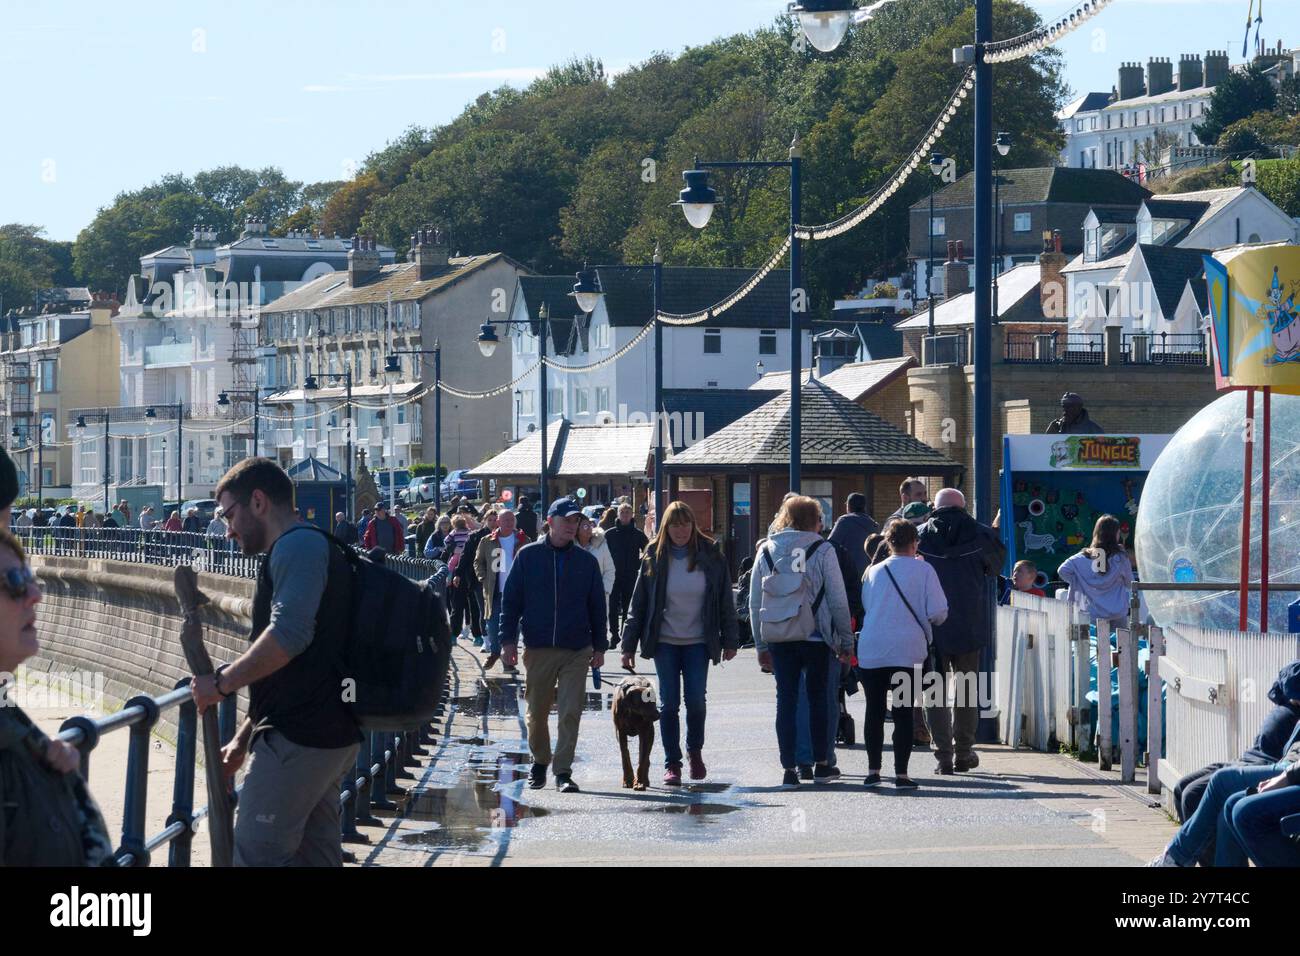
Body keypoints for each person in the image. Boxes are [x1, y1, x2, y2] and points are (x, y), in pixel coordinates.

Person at [189, 457, 360, 866]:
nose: (227, 528)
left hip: (299, 740)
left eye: (229, 514)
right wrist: (245, 738)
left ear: (259, 502)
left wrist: (221, 682)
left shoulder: (297, 547)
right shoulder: (313, 544)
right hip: (327, 734)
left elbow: (289, 637)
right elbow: (302, 669)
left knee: (254, 856)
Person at [0, 528, 116, 865]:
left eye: (30, 577)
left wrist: (43, 771)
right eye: (15, 581)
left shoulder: (18, 732)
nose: (35, 594)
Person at [620, 501, 737, 785]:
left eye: (685, 524)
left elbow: (724, 600)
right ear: (666, 527)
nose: (681, 530)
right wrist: (627, 646)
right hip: (665, 642)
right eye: (675, 525)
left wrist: (730, 639)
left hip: (699, 641)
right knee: (669, 704)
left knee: (696, 701)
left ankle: (694, 751)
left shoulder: (711, 554)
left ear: (693, 525)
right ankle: (672, 763)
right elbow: (639, 602)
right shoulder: (653, 555)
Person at [499, 497, 607, 793]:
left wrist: (600, 646)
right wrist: (506, 640)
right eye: (567, 520)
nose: (573, 526)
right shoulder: (528, 556)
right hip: (539, 646)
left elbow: (597, 606)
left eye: (576, 521)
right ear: (550, 521)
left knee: (571, 710)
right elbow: (511, 603)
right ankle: (540, 761)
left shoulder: (586, 562)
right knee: (537, 711)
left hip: (577, 649)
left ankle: (562, 771)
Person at [748, 495, 855, 788]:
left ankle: (789, 768)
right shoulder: (823, 549)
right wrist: (846, 639)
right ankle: (822, 764)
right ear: (815, 520)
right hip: (816, 637)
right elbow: (837, 598)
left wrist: (760, 645)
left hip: (781, 637)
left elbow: (755, 600)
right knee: (820, 699)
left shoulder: (767, 550)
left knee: (787, 701)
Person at [1169, 662, 1300, 865]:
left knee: (1219, 798)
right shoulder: (1289, 689)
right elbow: (1285, 679)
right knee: (1183, 788)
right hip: (1252, 758)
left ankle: (1176, 857)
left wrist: (1286, 776)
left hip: (1273, 765)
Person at [916, 488, 1005, 775]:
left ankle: (943, 755)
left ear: (935, 507)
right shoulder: (981, 535)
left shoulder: (919, 536)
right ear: (963, 507)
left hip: (931, 627)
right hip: (970, 625)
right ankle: (964, 751)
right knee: (967, 690)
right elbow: (995, 569)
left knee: (934, 693)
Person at [857, 518, 949, 790]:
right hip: (907, 651)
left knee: (873, 711)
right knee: (903, 712)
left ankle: (873, 771)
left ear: (888, 542)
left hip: (872, 648)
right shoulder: (925, 571)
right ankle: (901, 775)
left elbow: (867, 605)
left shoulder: (873, 572)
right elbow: (938, 613)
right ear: (914, 542)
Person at [1149, 718, 1300, 867]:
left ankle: (1175, 858)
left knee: (1223, 783)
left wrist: (1287, 775)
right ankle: (1176, 858)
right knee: (1228, 804)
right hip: (1286, 764)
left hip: (1291, 770)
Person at [1056, 514, 1133, 627]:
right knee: (1120, 643)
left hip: (1093, 614)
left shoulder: (1082, 558)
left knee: (1094, 644)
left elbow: (1062, 570)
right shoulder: (1120, 558)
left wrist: (1079, 581)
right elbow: (1129, 583)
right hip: (1118, 613)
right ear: (1115, 534)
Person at [475, 508, 527, 671]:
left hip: (516, 592)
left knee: (513, 626)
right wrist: (483, 578)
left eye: (511, 520)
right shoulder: (487, 540)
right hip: (495, 590)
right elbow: (478, 562)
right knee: (492, 624)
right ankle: (495, 652)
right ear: (498, 522)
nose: (509, 523)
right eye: (505, 520)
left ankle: (508, 661)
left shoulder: (523, 540)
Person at [604, 502, 649, 648]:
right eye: (622, 513)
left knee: (628, 606)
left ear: (631, 516)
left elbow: (648, 551)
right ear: (618, 515)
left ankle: (625, 635)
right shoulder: (610, 534)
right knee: (612, 606)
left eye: (627, 513)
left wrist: (638, 563)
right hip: (613, 575)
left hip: (630, 575)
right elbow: (602, 552)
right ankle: (614, 635)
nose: (625, 515)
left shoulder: (638, 534)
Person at [451, 506, 497, 646]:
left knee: (495, 609)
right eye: (490, 520)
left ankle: (493, 637)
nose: (493, 522)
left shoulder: (503, 535)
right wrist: (458, 574)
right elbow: (465, 556)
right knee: (481, 608)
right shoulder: (475, 536)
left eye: (495, 520)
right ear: (484, 521)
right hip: (478, 577)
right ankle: (484, 638)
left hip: (498, 578)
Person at [828, 492, 879, 584]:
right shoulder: (873, 524)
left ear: (849, 506)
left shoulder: (844, 521)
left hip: (847, 576)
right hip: (868, 575)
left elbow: (830, 545)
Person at [441, 515, 474, 638]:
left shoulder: (453, 533)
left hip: (457, 557)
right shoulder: (469, 532)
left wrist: (455, 549)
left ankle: (448, 579)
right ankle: (464, 627)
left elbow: (446, 541)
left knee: (451, 565)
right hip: (465, 560)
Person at [576, 514, 615, 603]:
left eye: (590, 525)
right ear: (577, 529)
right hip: (578, 598)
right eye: (585, 526)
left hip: (599, 597)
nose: (589, 528)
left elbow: (610, 570)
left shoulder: (601, 545)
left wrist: (604, 590)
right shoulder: (571, 548)